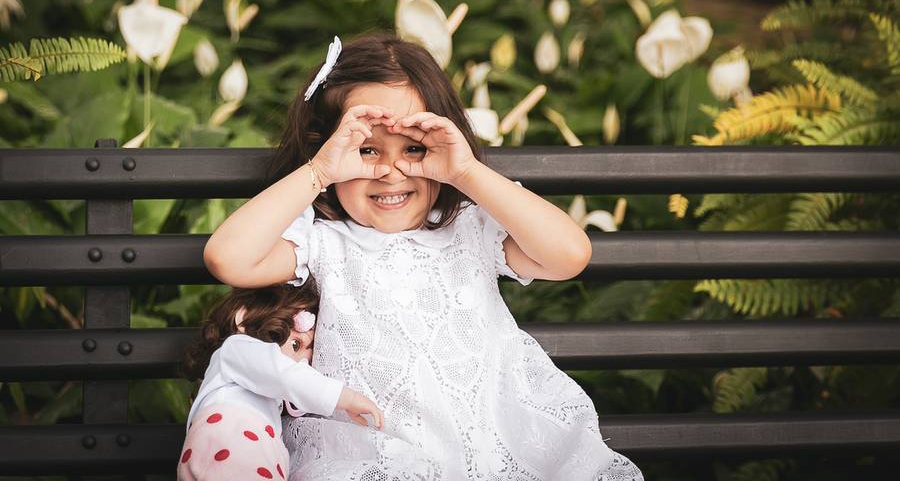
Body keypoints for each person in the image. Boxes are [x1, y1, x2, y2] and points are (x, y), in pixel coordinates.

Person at [203, 33, 644, 480]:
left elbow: (569, 256)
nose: (392, 172)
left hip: (494, 438)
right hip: (378, 449)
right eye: (367, 149)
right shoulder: (324, 244)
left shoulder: (470, 230)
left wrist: (465, 171)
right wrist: (321, 170)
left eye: (414, 148)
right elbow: (228, 258)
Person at [178, 284, 384, 480]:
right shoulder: (236, 348)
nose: (300, 365)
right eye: (296, 345)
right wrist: (344, 397)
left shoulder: (267, 401)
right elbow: (285, 375)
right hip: (228, 447)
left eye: (308, 362)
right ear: (244, 320)